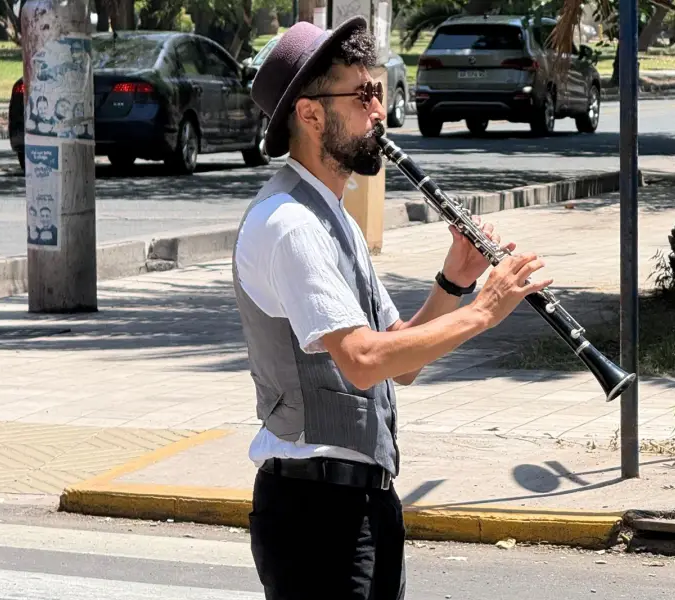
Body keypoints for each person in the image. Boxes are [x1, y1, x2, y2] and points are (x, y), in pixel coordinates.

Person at [234, 16, 554, 600]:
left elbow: (398, 359)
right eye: (362, 96)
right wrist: (484, 309)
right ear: (309, 114)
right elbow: (360, 359)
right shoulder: (290, 224)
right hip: (316, 512)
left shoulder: (332, 218)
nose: (379, 111)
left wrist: (453, 283)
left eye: (377, 91)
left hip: (355, 503)